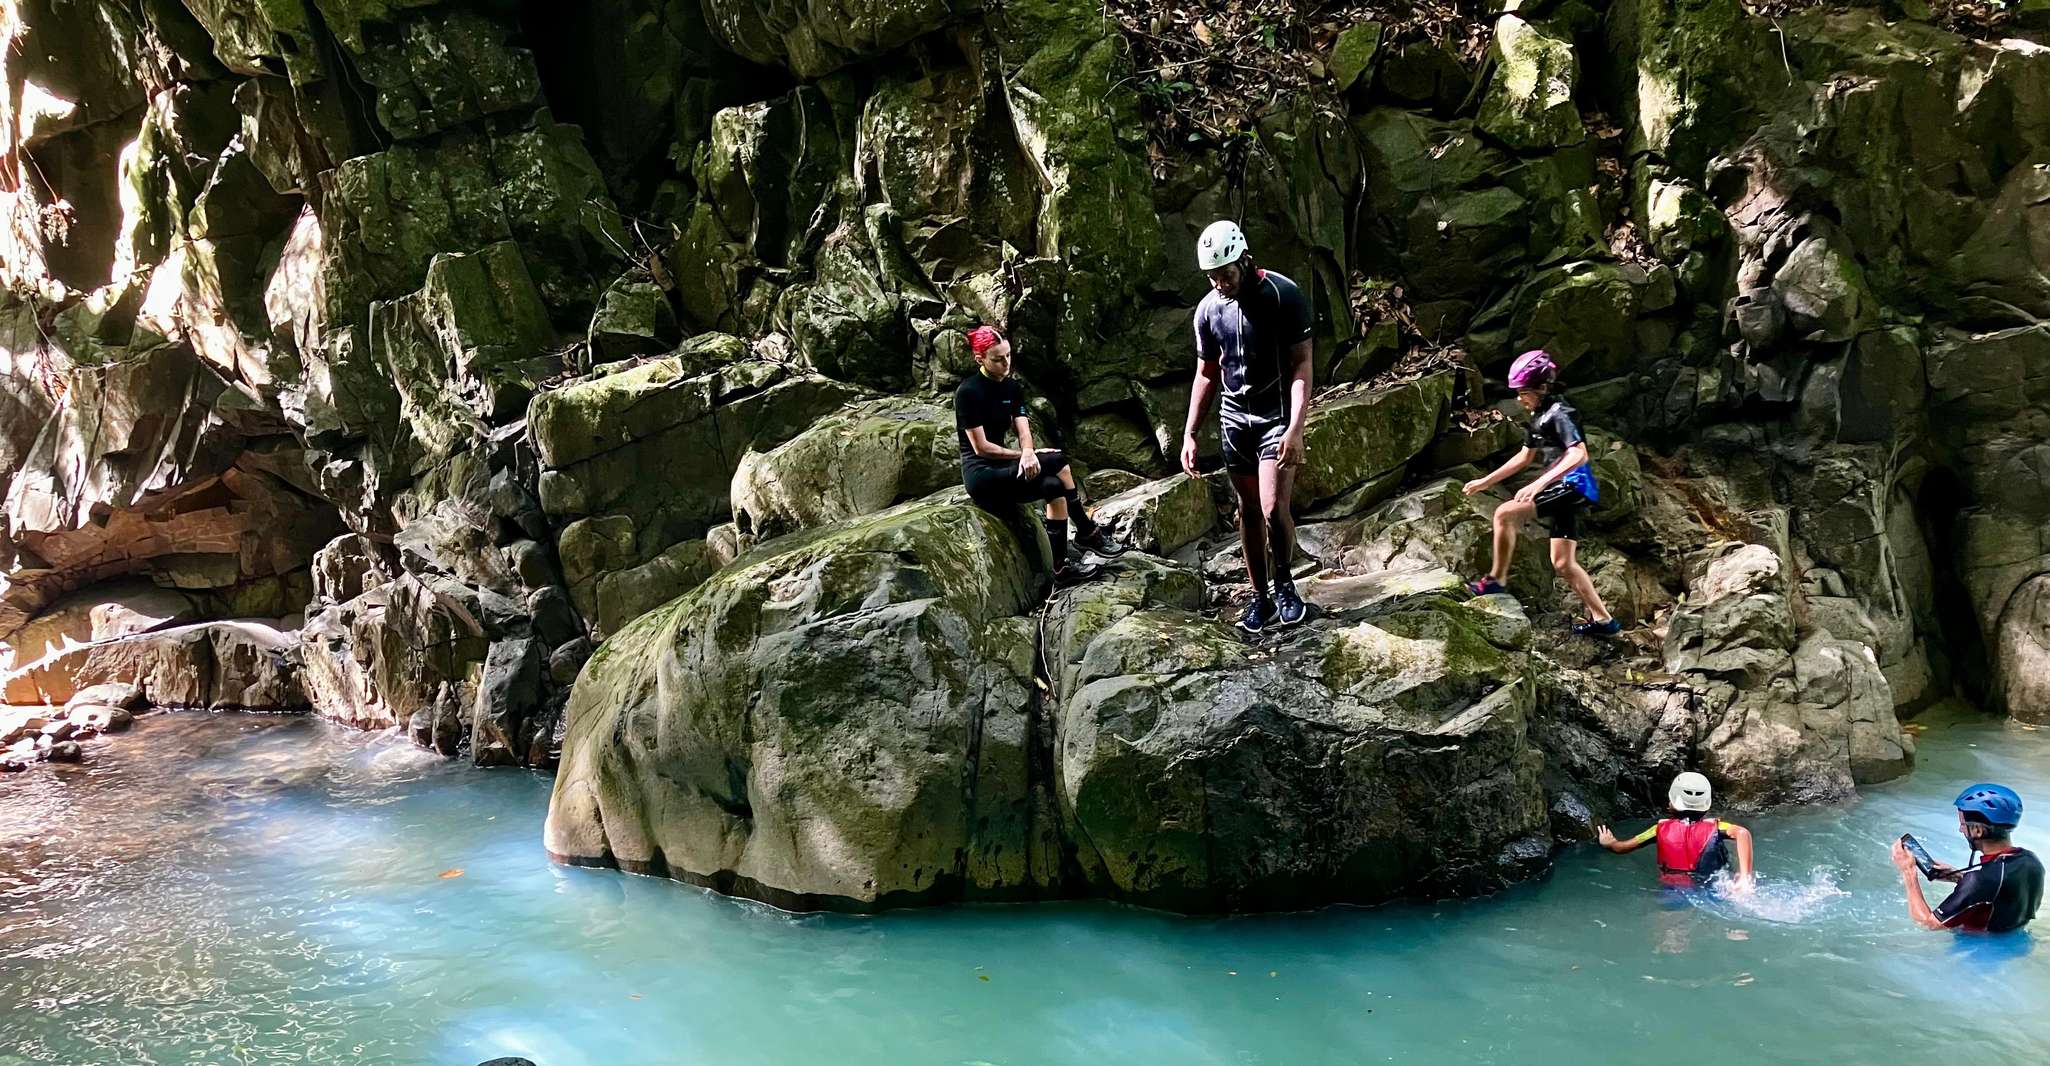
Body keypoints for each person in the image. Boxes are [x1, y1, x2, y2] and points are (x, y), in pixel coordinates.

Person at [1181, 219, 1315, 634]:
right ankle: (1260, 597)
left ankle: (1286, 584)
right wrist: (1189, 432)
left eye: (1226, 275)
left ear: (1244, 260)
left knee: (1275, 507)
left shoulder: (1283, 295)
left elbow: (1302, 364)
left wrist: (1295, 427)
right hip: (1235, 419)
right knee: (1248, 510)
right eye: (1212, 277)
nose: (1220, 284)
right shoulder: (1207, 310)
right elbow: (1206, 374)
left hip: (1276, 415)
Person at [1461, 350, 1619, 636]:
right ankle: (1605, 621)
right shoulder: (1537, 416)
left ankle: (1496, 579)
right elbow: (1523, 458)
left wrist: (1539, 483)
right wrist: (1486, 481)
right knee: (1563, 564)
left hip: (1572, 487)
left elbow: (1579, 455)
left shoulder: (1561, 413)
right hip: (1567, 490)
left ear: (1542, 388)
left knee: (1504, 513)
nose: (1519, 399)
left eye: (1524, 393)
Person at [956, 325, 1125, 584]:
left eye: (1009, 356)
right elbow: (981, 448)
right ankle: (1087, 531)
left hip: (1009, 470)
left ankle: (1061, 568)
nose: (1006, 363)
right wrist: (1022, 455)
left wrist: (1028, 452)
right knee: (1056, 459)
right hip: (982, 475)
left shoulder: (1011, 388)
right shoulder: (968, 392)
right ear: (980, 359)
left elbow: (1024, 430)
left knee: (1053, 485)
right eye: (998, 359)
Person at [1891, 783, 2042, 933]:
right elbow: (2002, 891)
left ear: (1977, 830)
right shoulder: (2031, 860)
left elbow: (1928, 923)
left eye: (1963, 824)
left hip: (1981, 950)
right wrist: (1958, 877)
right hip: (2015, 942)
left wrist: (1908, 871)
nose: (1960, 829)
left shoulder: (1979, 881)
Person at [1596, 772, 1756, 890]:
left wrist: (1609, 842)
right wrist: (1744, 877)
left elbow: (1621, 848)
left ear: (1672, 803)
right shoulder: (1717, 827)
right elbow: (1742, 833)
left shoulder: (1658, 829)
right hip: (1714, 885)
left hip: (1674, 888)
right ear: (1706, 805)